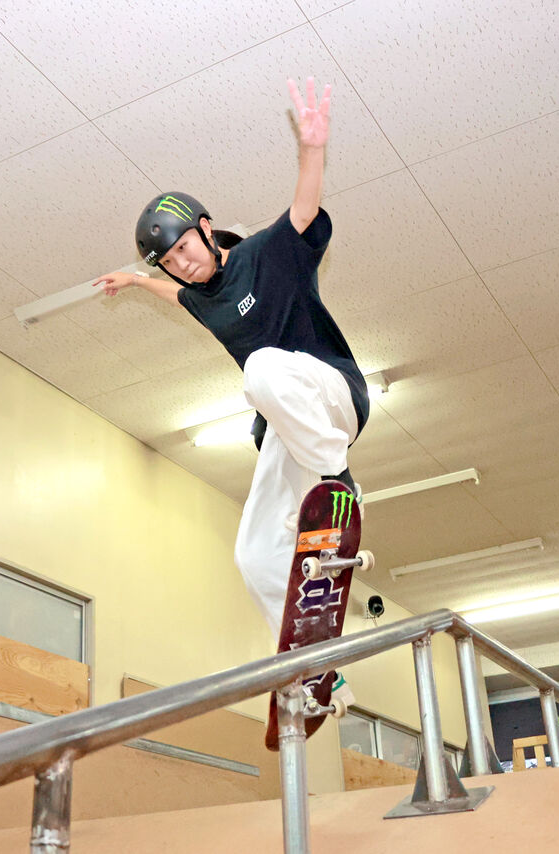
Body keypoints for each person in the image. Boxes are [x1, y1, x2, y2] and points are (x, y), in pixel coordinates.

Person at [95, 78, 369, 664]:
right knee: (253, 552)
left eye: (185, 250)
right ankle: (312, 662)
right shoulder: (196, 295)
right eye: (170, 263)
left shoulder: (264, 253)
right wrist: (137, 279)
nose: (184, 266)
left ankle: (339, 480)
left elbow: (304, 209)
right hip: (290, 431)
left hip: (332, 395)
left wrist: (312, 148)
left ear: (204, 228)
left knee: (261, 371)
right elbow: (175, 296)